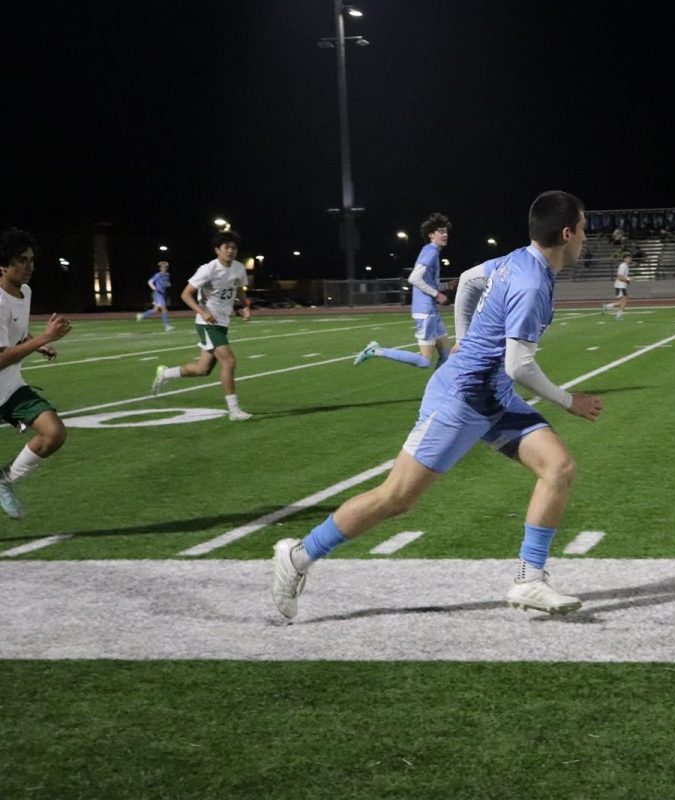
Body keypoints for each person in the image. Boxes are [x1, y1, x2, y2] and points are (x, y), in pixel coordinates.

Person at [271, 191, 604, 620]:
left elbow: (467, 279)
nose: (585, 236)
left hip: (492, 398)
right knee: (397, 498)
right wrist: (569, 401)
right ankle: (299, 555)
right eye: (583, 227)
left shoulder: (519, 260)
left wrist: (463, 336)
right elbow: (519, 364)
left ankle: (529, 579)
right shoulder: (531, 281)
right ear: (566, 232)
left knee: (558, 468)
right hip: (461, 401)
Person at [0, 228, 73, 519]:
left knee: (54, 433)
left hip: (9, 388)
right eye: (21, 260)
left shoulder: (24, 291)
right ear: (3, 265)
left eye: (31, 259)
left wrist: (33, 342)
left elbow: (13, 330)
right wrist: (42, 340)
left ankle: (4, 480)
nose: (30, 266)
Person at [149, 230, 252, 421]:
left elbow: (239, 289)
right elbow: (185, 294)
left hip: (222, 323)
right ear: (217, 250)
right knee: (229, 362)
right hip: (207, 323)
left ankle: (165, 373)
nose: (231, 250)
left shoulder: (238, 268)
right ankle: (234, 411)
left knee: (202, 369)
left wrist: (244, 306)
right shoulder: (208, 269)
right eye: (226, 247)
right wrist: (203, 312)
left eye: (234, 247)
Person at [354, 214, 450, 369]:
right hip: (426, 312)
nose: (445, 234)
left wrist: (447, 286)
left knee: (447, 356)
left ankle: (439, 391)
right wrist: (437, 295)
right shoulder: (430, 252)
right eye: (441, 231)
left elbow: (428, 283)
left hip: (432, 312)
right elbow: (414, 278)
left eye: (446, 231)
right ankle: (376, 351)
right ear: (431, 234)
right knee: (425, 361)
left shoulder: (431, 251)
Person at [136, 260, 174, 331]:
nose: (163, 268)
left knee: (155, 310)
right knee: (164, 309)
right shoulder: (158, 275)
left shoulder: (167, 275)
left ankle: (141, 315)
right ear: (160, 268)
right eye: (162, 267)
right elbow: (150, 282)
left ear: (166, 268)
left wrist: (168, 284)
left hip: (162, 294)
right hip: (157, 294)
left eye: (165, 267)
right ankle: (167, 326)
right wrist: (154, 288)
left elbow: (167, 283)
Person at [602, 254, 633, 318]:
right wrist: (628, 279)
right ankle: (619, 315)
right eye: (627, 258)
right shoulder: (623, 266)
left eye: (630, 258)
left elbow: (622, 277)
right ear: (624, 259)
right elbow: (619, 277)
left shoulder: (626, 266)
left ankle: (606, 306)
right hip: (620, 285)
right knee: (624, 301)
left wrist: (627, 280)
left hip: (621, 285)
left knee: (622, 301)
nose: (629, 259)